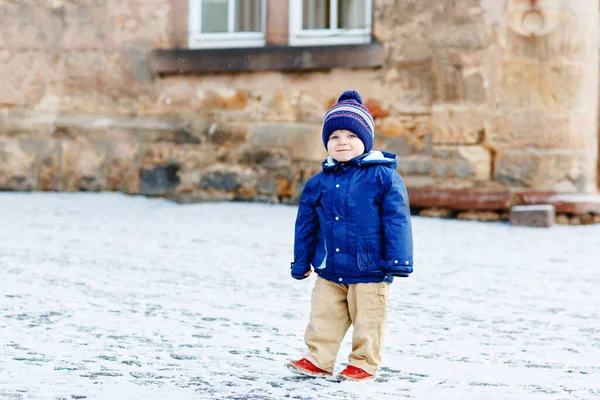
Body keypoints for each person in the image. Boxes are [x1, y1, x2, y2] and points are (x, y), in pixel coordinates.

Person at [287, 90, 414, 382]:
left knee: (368, 319)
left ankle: (363, 362)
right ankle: (318, 358)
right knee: (323, 316)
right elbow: (306, 225)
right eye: (334, 137)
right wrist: (301, 261)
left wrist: (399, 260)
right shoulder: (318, 183)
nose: (342, 142)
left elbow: (397, 221)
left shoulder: (383, 177)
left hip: (372, 268)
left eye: (350, 136)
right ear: (326, 144)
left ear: (365, 141)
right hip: (330, 267)